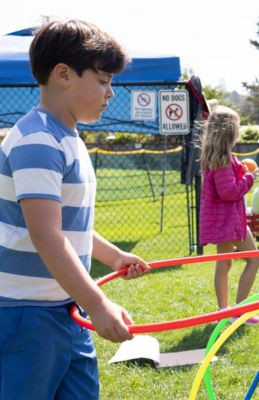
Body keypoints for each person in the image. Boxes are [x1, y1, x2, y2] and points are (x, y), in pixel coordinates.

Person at [0, 19, 150, 399]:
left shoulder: (68, 139)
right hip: (26, 315)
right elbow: (45, 234)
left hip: (66, 308)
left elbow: (65, 225)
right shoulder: (37, 141)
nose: (111, 93)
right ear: (63, 75)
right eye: (103, 80)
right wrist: (97, 304)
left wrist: (112, 255)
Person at [199, 105, 259, 325]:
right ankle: (238, 311)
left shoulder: (220, 158)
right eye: (238, 127)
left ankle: (226, 312)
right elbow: (228, 192)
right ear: (229, 132)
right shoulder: (223, 160)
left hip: (227, 221)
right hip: (228, 222)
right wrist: (248, 178)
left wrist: (242, 172)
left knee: (225, 264)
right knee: (255, 260)